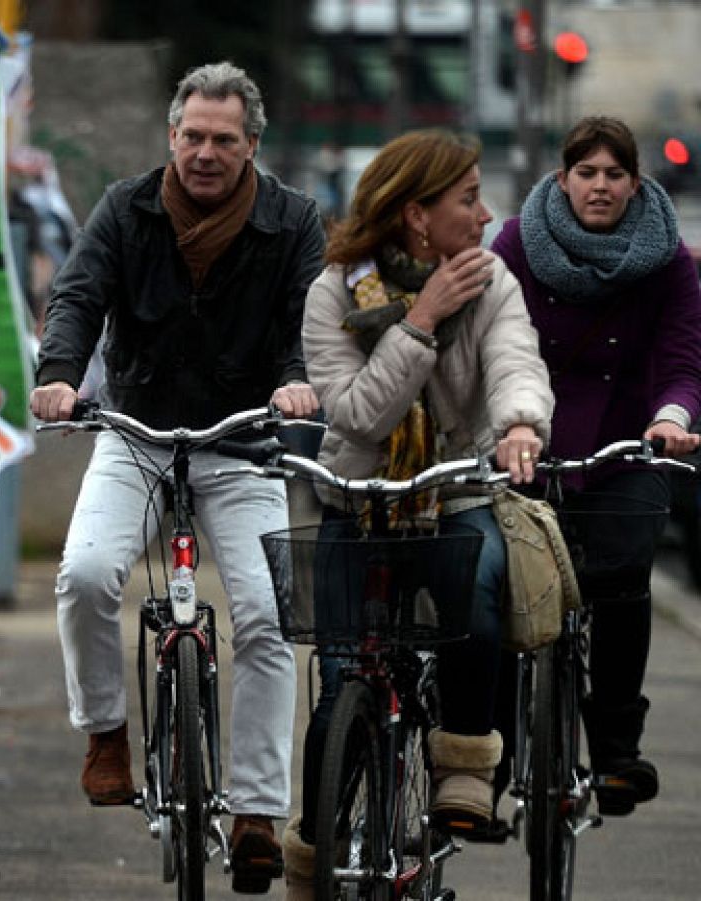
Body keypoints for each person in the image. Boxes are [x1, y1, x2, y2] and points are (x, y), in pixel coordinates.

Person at [29, 61, 324, 893]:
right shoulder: (124, 209)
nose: (204, 152)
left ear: (251, 145)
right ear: (171, 136)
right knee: (86, 574)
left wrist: (296, 380)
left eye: (223, 140)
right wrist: (61, 375)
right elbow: (79, 297)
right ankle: (106, 734)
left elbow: (311, 314)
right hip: (138, 431)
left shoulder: (294, 220)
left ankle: (259, 811)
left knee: (267, 616)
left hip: (243, 438)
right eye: (192, 136)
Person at [285, 130, 553, 899]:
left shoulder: (492, 277)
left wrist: (522, 423)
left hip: (454, 488)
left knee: (479, 580)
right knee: (339, 685)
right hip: (357, 497)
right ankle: (319, 855)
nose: (486, 213)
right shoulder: (334, 291)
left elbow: (513, 359)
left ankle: (464, 758)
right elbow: (362, 416)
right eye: (468, 198)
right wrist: (422, 319)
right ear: (415, 215)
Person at [490, 115, 701, 817]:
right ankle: (486, 747)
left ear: (636, 183)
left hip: (626, 442)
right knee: (496, 578)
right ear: (563, 178)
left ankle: (615, 748)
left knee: (621, 574)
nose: (601, 187)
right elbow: (492, 336)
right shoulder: (520, 241)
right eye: (587, 173)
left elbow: (682, 358)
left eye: (615, 175)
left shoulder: (668, 259)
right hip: (527, 436)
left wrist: (672, 416)